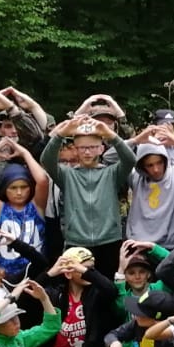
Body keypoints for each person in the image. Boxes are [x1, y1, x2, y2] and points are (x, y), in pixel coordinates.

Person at [41, 115, 137, 276]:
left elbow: (130, 159)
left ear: (101, 149)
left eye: (92, 147)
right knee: (78, 287)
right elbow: (47, 160)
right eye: (82, 148)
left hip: (109, 241)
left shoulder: (112, 173)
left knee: (108, 286)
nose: (87, 152)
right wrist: (60, 134)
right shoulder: (67, 175)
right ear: (75, 149)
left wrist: (111, 135)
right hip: (76, 241)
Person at [0, 141, 50, 279]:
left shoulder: (37, 206)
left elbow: (43, 180)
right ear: (4, 189)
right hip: (6, 277)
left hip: (36, 273)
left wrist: (25, 153)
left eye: (24, 187)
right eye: (13, 188)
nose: (19, 192)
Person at [39, 245, 120, 347]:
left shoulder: (97, 294)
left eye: (91, 269)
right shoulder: (56, 295)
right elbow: (29, 296)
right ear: (68, 273)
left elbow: (112, 290)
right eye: (82, 268)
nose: (88, 272)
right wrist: (49, 274)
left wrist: (84, 270)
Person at [125, 128, 174, 249]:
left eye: (159, 163)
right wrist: (135, 141)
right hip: (137, 243)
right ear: (142, 166)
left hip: (168, 245)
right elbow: (109, 158)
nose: (156, 169)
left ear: (165, 160)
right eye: (150, 165)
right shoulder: (135, 177)